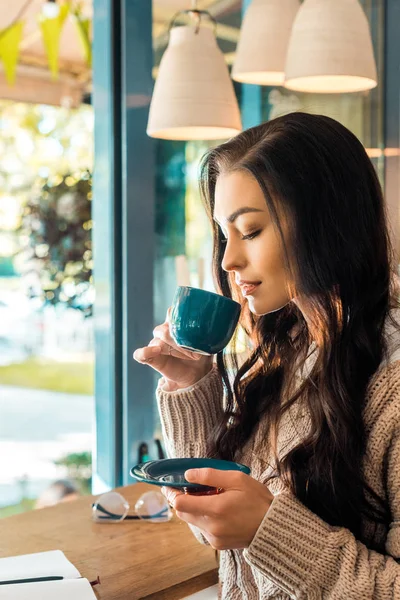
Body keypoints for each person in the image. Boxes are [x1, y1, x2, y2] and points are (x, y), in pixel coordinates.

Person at [133, 112, 400, 599]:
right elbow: (220, 532)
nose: (228, 261)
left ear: (328, 224)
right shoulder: (292, 348)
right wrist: (193, 385)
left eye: (250, 231)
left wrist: (271, 531)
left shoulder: (393, 384)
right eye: (224, 234)